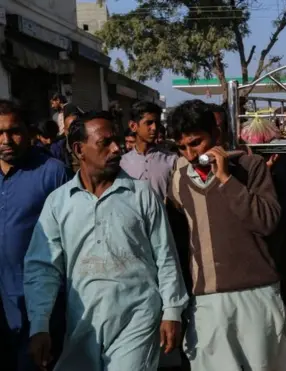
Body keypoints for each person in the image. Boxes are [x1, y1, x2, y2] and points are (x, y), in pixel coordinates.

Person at [24, 111, 189, 371]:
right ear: (79, 149)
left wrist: (172, 311)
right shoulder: (59, 202)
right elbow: (42, 267)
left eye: (117, 142)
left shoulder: (141, 194)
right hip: (83, 320)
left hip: (139, 316)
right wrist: (39, 324)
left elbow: (165, 255)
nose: (116, 149)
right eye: (105, 143)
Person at [166, 100, 286, 370]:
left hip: (256, 294)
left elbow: (267, 221)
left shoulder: (251, 167)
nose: (190, 154)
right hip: (207, 299)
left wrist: (227, 180)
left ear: (216, 135)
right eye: (182, 147)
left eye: (195, 143)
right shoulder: (179, 178)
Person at [0, 100, 71, 371]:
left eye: (14, 131)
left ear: (29, 132)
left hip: (43, 305)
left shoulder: (52, 173)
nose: (6, 139)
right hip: (4, 305)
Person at [120, 101, 177, 201]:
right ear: (133, 126)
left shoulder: (171, 159)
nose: (154, 128)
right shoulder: (122, 163)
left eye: (157, 123)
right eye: (149, 123)